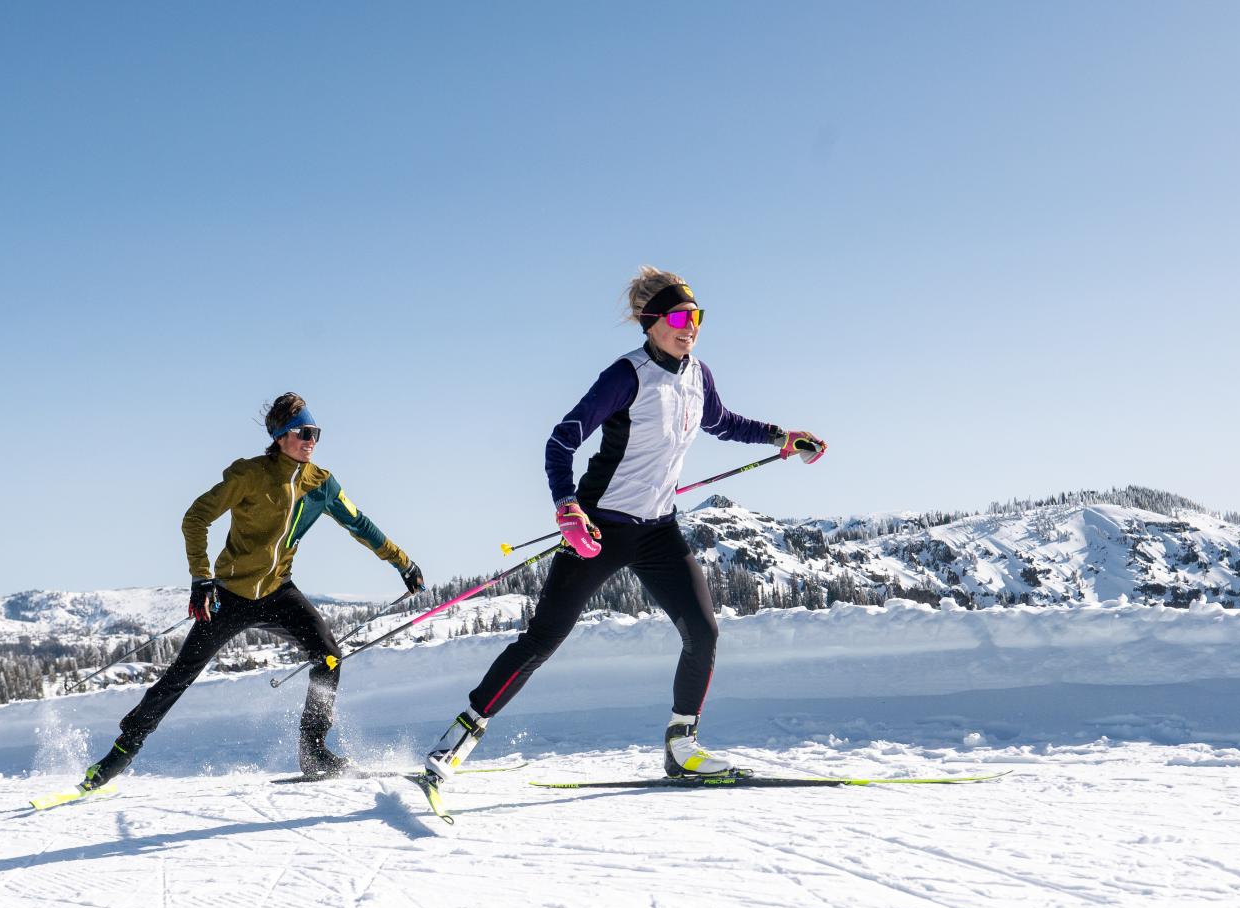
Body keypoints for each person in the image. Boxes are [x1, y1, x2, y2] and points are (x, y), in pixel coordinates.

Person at [424, 267, 825, 781]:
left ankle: (683, 747)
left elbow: (723, 423)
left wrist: (780, 437)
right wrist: (567, 506)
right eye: (680, 316)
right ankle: (458, 738)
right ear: (652, 321)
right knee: (543, 640)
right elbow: (561, 440)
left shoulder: (699, 375)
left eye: (697, 316)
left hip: (659, 530)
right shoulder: (627, 375)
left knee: (702, 632)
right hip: (599, 527)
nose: (691, 326)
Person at [81, 392, 425, 787]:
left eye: (316, 432)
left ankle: (313, 752)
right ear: (280, 436)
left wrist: (403, 562)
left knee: (328, 657)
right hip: (231, 597)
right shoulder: (249, 475)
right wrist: (201, 577)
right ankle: (121, 752)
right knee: (182, 673)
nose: (311, 439)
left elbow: (359, 524)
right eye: (303, 432)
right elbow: (195, 518)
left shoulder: (322, 484)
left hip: (279, 592)